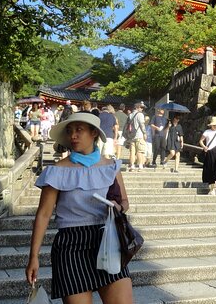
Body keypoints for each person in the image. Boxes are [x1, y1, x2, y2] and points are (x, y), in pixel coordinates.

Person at [25, 112, 133, 303]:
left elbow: (125, 202)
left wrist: (118, 207)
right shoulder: (57, 170)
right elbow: (43, 215)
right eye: (70, 131)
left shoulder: (111, 167)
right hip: (70, 246)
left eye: (79, 130)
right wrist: (34, 256)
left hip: (107, 240)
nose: (73, 135)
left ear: (93, 133)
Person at [126, 102, 147, 172]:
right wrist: (144, 133)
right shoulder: (140, 114)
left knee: (132, 151)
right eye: (141, 107)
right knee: (140, 151)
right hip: (139, 135)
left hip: (131, 136)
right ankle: (140, 166)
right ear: (137, 107)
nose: (142, 109)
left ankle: (132, 165)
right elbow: (142, 124)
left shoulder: (130, 115)